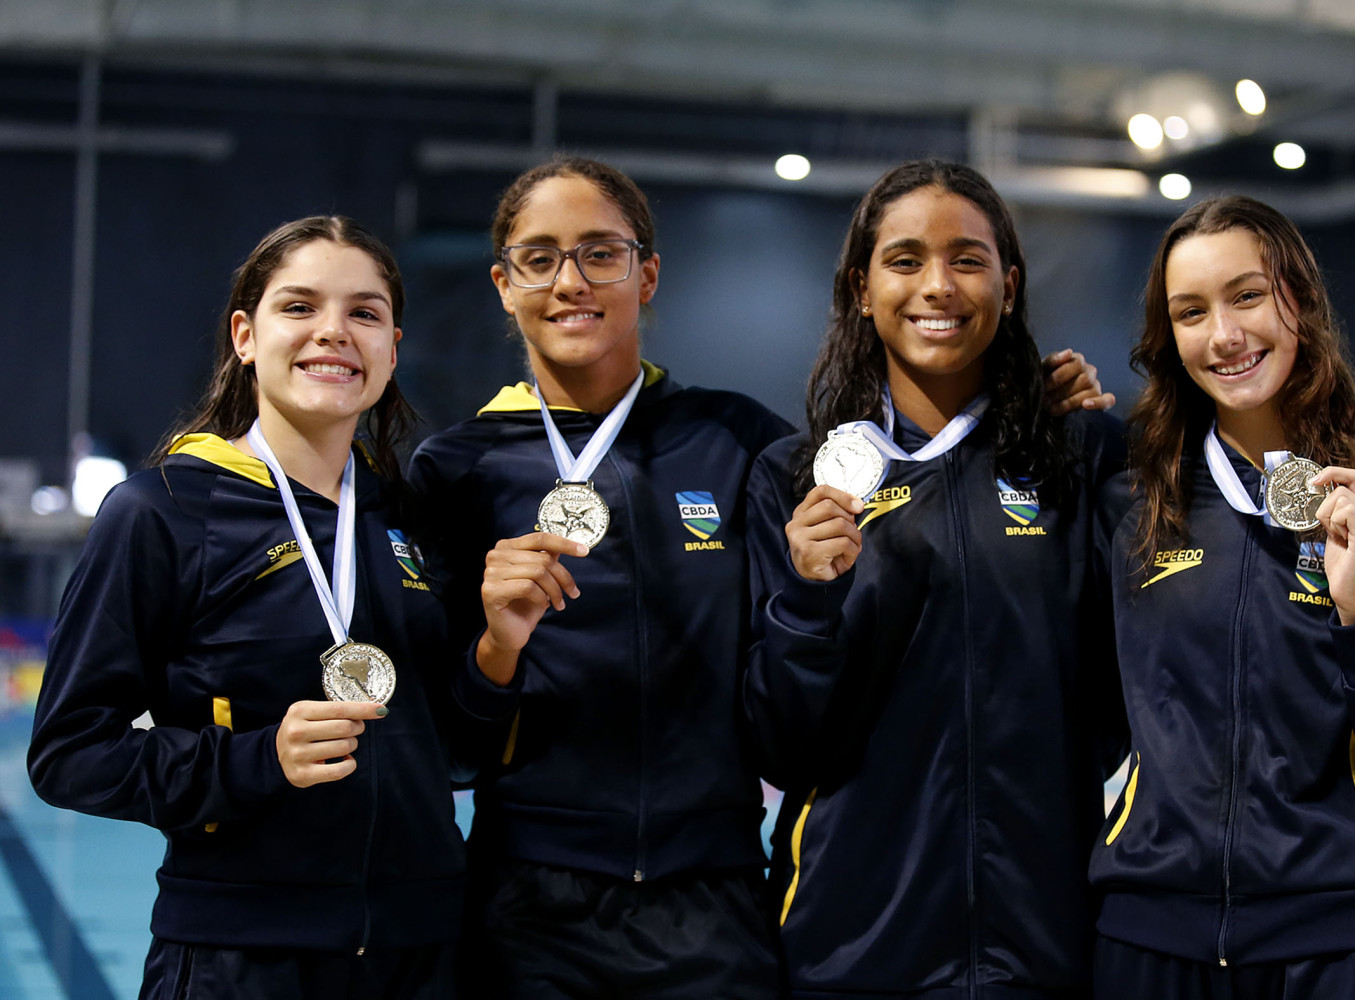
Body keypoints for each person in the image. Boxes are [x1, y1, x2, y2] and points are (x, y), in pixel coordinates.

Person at [29, 217, 467, 999]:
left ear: (392, 349)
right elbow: (69, 756)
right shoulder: (163, 512)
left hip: (420, 954)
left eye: (363, 313)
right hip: (241, 957)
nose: (333, 331)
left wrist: (501, 645)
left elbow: (455, 749)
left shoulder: (412, 517)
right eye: (299, 307)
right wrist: (256, 761)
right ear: (244, 334)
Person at [407, 157, 796, 999]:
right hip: (528, 909)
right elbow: (447, 747)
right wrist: (493, 648)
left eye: (600, 253)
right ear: (504, 285)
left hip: (715, 900)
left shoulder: (736, 440)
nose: (569, 281)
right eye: (539, 258)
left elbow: (890, 486)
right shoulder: (455, 470)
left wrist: (1031, 414)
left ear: (647, 274)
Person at [744, 158, 1132, 998]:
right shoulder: (792, 479)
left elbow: (1118, 701)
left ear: (1010, 283)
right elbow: (777, 745)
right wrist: (806, 600)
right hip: (852, 942)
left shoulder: (1083, 458)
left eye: (967, 259)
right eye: (905, 259)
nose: (938, 286)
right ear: (859, 286)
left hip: (1044, 938)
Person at [1089, 195, 1355, 999]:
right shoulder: (1128, 502)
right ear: (1169, 339)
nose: (1222, 335)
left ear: (1299, 299)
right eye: (1189, 311)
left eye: (1247, 296)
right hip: (1151, 942)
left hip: (1342, 951)